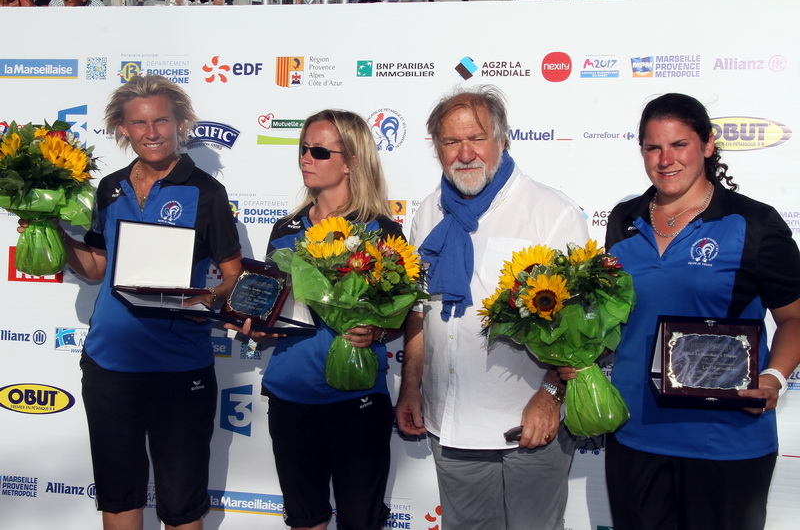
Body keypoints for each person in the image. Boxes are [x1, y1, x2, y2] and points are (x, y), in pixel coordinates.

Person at [562, 92, 800, 530]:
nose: (665, 159)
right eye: (653, 147)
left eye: (679, 145)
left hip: (727, 442)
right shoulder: (623, 220)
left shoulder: (755, 224)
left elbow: (794, 318)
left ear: (708, 145)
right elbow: (610, 319)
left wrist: (775, 378)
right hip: (635, 436)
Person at [18, 74, 242, 530]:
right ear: (122, 128)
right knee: (119, 497)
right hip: (110, 364)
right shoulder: (109, 187)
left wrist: (206, 296)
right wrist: (54, 232)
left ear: (181, 124)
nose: (152, 132)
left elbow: (234, 278)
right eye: (139, 123)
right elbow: (98, 268)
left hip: (179, 368)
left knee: (181, 505)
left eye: (162, 120)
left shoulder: (206, 192)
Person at [394, 85, 589, 530]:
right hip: (451, 423)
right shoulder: (428, 212)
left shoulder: (550, 212)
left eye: (477, 138)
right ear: (437, 149)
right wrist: (411, 387)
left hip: (528, 425)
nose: (465, 153)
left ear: (503, 139)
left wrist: (551, 395)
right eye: (451, 141)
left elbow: (585, 326)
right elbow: (422, 310)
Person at [226, 109, 401, 530]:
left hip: (355, 396)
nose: (306, 157)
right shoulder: (285, 229)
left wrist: (377, 329)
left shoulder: (383, 230)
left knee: (361, 521)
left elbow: (400, 315)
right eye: (303, 148)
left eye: (319, 151)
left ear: (352, 161)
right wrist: (254, 329)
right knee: (305, 520)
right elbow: (272, 309)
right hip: (290, 393)